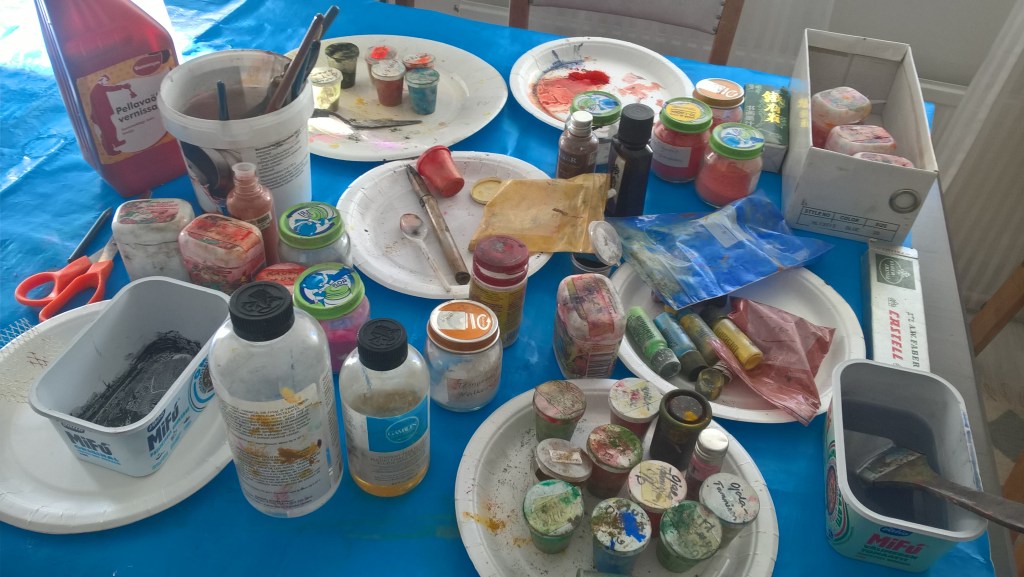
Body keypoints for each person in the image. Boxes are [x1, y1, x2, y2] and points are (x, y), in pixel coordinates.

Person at [89, 75, 136, 156]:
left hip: (102, 115)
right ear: (101, 80)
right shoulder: (98, 88)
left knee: (111, 129)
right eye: (106, 80)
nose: (107, 82)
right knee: (106, 133)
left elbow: (109, 88)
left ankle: (116, 143)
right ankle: (110, 151)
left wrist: (122, 86)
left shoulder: (98, 88)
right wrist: (123, 86)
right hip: (100, 116)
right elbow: (111, 88)